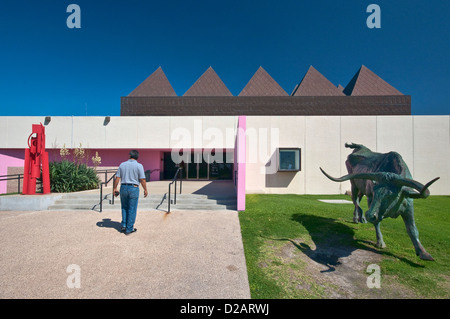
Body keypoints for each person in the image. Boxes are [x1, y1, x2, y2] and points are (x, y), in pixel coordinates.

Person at [113, 150, 148, 235]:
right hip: (134, 188)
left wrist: (114, 188)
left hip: (123, 187)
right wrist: (145, 189)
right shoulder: (139, 166)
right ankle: (129, 229)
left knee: (124, 207)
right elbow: (142, 179)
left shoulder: (122, 164)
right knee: (132, 209)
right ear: (137, 157)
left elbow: (117, 178)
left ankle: (124, 225)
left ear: (129, 155)